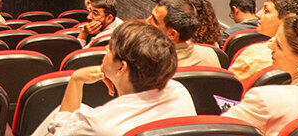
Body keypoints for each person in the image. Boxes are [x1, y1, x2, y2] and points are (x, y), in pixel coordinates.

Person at [31, 21, 196, 136]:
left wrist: (76, 79)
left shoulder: (97, 125)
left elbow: (58, 129)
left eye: (110, 49)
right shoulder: (180, 91)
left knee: (58, 114)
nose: (105, 49)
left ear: (122, 67)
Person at [228, 0, 298, 88]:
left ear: (286, 20)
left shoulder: (254, 55)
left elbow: (227, 89)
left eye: (266, 11)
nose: (258, 14)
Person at [145, 0, 221, 68]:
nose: (147, 21)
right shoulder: (211, 54)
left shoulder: (151, 64)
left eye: (154, 20)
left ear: (172, 34)